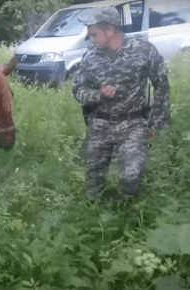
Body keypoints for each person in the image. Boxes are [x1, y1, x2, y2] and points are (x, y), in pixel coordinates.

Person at [73, 7, 170, 202]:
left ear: (109, 29)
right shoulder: (90, 57)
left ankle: (127, 213)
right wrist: (98, 94)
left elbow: (162, 86)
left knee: (131, 176)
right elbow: (78, 91)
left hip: (133, 124)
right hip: (100, 124)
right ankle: (95, 215)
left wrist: (154, 122)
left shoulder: (144, 51)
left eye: (94, 33)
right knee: (93, 177)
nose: (91, 38)